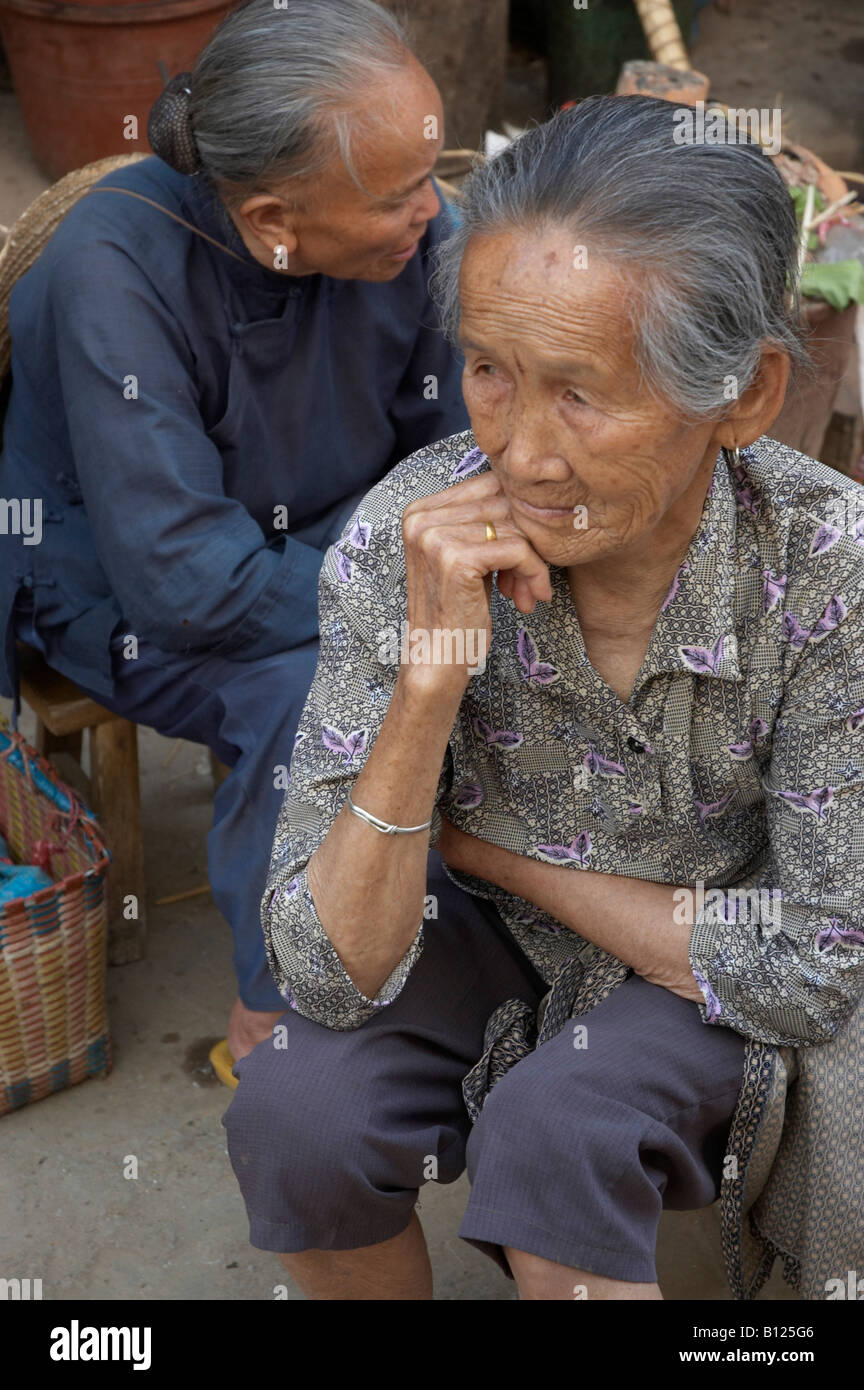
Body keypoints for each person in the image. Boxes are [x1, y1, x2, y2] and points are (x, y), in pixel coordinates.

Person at [223, 95, 864, 1299]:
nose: (519, 453)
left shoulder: (828, 568)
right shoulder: (407, 535)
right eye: (488, 372)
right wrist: (428, 685)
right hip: (469, 937)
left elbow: (819, 957)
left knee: (559, 1130)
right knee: (295, 1109)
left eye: (581, 391)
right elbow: (320, 972)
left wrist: (500, 855)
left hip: (700, 951)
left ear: (747, 394)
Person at [0, 0, 468, 1062]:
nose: (433, 212)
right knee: (311, 684)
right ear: (272, 222)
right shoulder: (111, 268)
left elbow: (456, 454)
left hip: (330, 534)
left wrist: (424, 553)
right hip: (118, 586)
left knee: (475, 629)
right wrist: (394, 594)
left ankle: (424, 914)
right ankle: (280, 1008)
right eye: (397, 197)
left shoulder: (422, 233)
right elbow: (184, 578)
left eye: (431, 176)